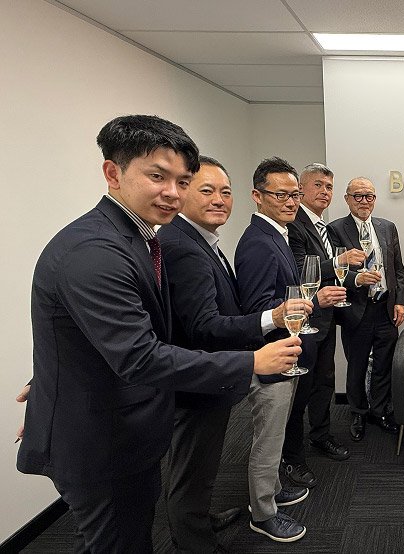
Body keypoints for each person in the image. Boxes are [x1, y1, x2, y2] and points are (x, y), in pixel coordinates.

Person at [17, 115, 300, 553]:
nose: (172, 192)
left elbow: (123, 330)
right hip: (101, 442)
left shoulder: (142, 239)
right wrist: (252, 362)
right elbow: (140, 356)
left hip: (118, 424)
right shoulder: (95, 252)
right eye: (157, 176)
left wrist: (54, 379)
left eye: (182, 180)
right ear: (113, 173)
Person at [159, 155, 308, 551]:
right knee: (195, 470)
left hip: (220, 369)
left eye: (225, 191)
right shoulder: (197, 246)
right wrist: (273, 322)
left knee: (200, 471)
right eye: (207, 190)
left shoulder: (205, 241)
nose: (219, 200)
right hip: (211, 373)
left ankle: (203, 518)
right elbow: (208, 323)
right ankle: (236, 523)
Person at [234, 157, 344, 542]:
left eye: (294, 194)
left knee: (276, 433)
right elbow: (258, 309)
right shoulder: (259, 243)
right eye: (281, 194)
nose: (291, 201)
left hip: (288, 349)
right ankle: (263, 513)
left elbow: (287, 294)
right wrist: (308, 306)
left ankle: (275, 491)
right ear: (257, 196)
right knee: (267, 440)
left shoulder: (277, 234)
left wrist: (310, 299)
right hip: (272, 355)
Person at [282, 163, 364, 482]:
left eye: (329, 187)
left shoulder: (323, 227)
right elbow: (303, 270)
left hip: (326, 318)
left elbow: (329, 272)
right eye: (318, 185)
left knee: (324, 382)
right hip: (303, 320)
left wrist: (354, 278)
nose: (325, 192)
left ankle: (320, 434)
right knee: (300, 388)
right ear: (301, 189)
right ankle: (292, 454)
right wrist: (341, 262)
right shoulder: (294, 225)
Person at [329, 177, 404, 441]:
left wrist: (400, 301)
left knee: (384, 363)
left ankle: (380, 409)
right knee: (357, 366)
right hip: (356, 310)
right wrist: (356, 279)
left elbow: (397, 267)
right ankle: (358, 412)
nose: (364, 201)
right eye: (358, 196)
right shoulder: (335, 229)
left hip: (385, 307)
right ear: (347, 199)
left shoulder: (387, 227)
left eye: (369, 196)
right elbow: (334, 272)